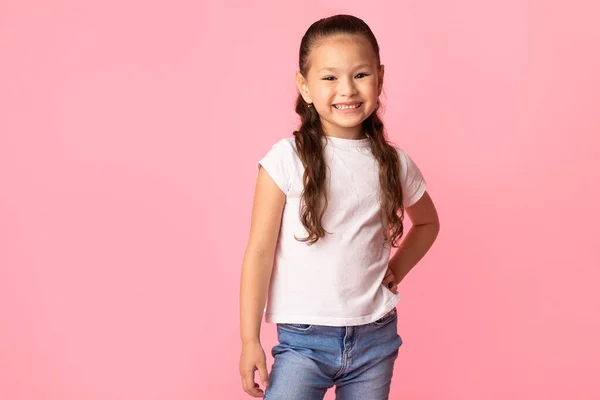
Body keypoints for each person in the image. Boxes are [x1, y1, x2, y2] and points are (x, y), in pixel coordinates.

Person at [239, 14, 440, 399]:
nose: (346, 89)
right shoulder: (286, 159)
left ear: (379, 78)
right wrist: (251, 340)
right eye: (330, 77)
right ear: (306, 86)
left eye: (360, 75)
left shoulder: (395, 163)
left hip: (375, 339)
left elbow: (428, 223)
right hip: (303, 342)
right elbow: (259, 252)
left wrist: (396, 270)